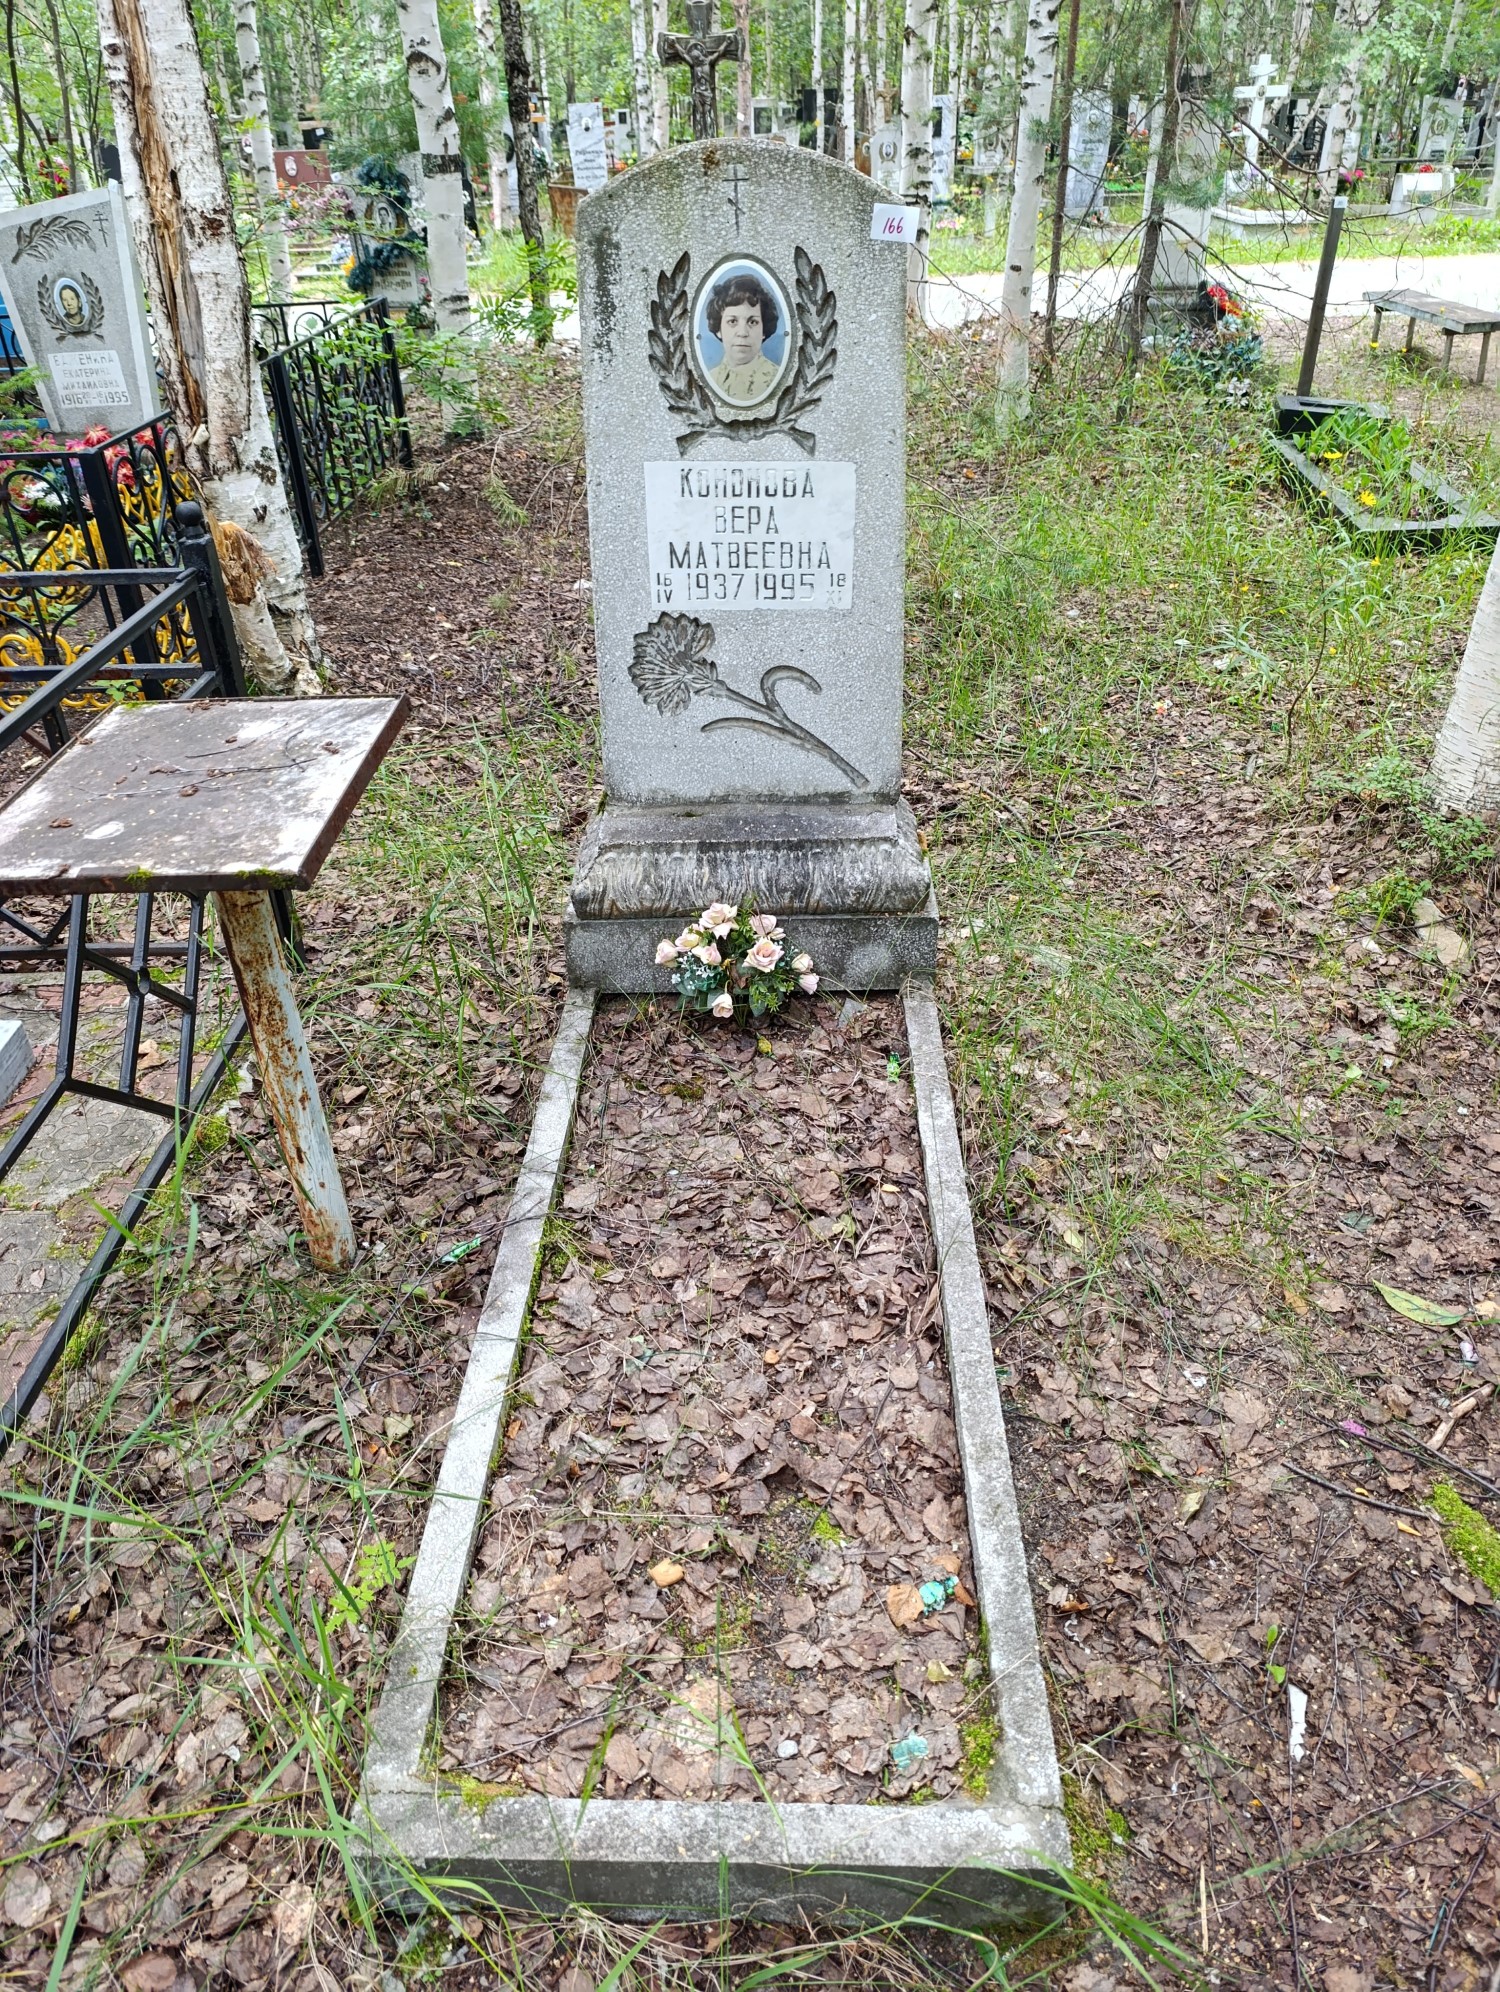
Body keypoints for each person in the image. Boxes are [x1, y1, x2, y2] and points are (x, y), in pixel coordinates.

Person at [704, 271, 780, 404]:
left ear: (764, 330)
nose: (743, 332)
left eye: (753, 322)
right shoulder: (709, 380)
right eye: (732, 321)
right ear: (718, 329)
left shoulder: (777, 380)